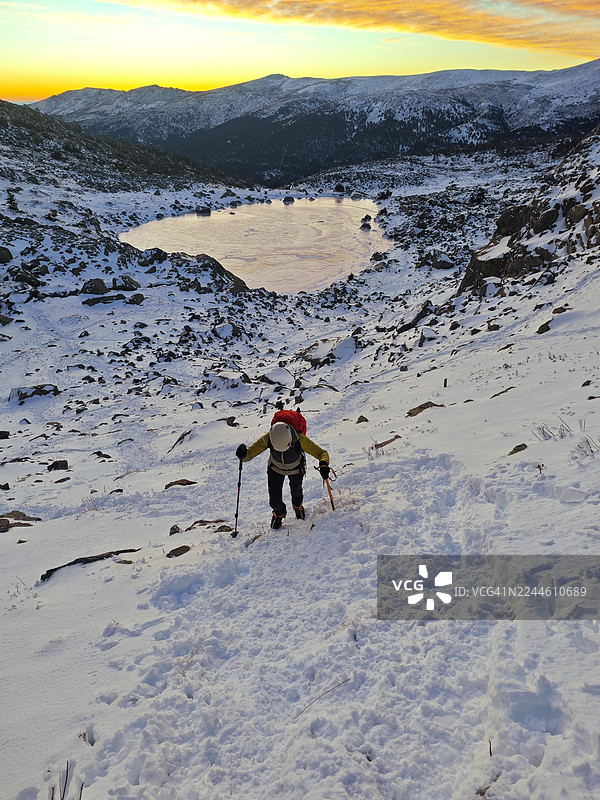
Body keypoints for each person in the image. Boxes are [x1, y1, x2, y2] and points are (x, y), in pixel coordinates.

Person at [236, 421, 330, 529]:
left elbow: (321, 453)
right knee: (274, 501)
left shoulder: (300, 439)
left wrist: (323, 463)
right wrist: (243, 455)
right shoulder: (269, 437)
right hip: (275, 469)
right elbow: (251, 453)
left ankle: (298, 507)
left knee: (296, 492)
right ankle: (279, 512)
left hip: (296, 469)